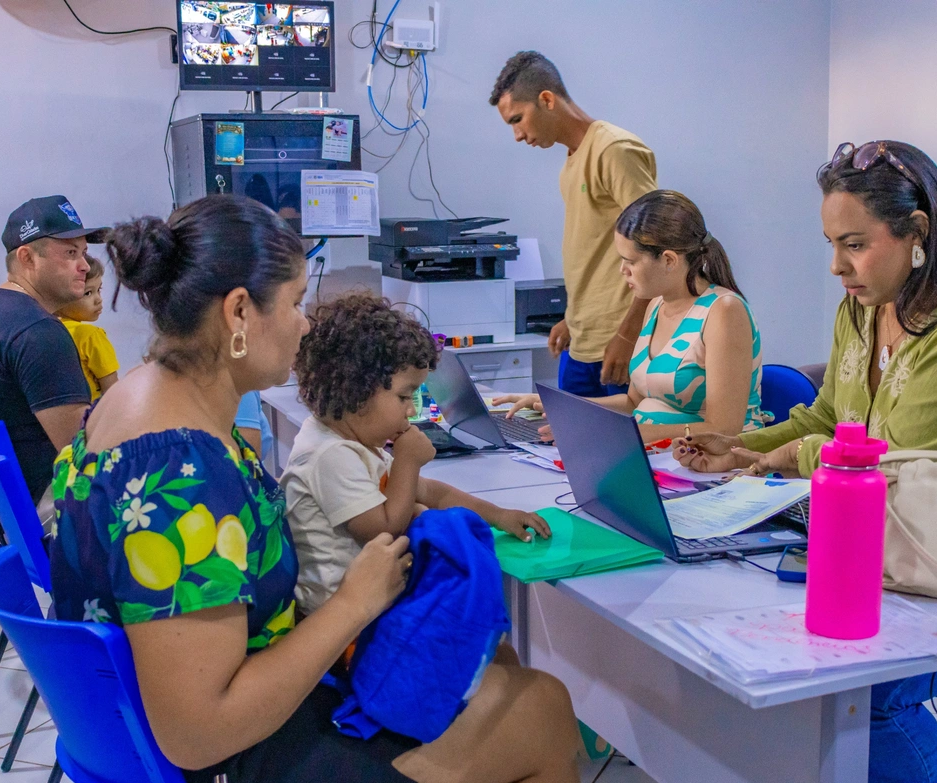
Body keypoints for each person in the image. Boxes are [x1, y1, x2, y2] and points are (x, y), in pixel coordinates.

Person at [50, 194, 580, 783]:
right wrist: (353, 604)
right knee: (541, 712)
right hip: (219, 769)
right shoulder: (181, 469)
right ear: (239, 312)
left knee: (505, 679)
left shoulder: (137, 398)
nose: (306, 322)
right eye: (297, 302)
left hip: (140, 743)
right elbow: (197, 732)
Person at [673, 140, 937, 783]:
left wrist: (776, 458)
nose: (839, 266)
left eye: (856, 244)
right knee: (751, 658)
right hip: (878, 553)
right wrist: (742, 444)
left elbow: (893, 464)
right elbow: (824, 421)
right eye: (831, 245)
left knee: (853, 695)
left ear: (916, 233)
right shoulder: (862, 311)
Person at [282, 292, 551, 616]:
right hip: (345, 631)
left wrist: (498, 515)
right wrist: (407, 461)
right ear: (354, 389)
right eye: (404, 397)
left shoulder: (356, 444)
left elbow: (430, 492)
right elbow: (384, 532)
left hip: (374, 613)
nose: (411, 411)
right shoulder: (329, 456)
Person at [496, 190, 768, 442]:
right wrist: (564, 408)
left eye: (631, 261)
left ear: (669, 261)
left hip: (712, 467)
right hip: (652, 456)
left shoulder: (724, 311)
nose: (622, 270)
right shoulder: (655, 305)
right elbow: (633, 403)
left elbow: (723, 429)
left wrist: (619, 432)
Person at [491, 51, 657, 398]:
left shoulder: (614, 149)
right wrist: (574, 318)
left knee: (611, 451)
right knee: (564, 448)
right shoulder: (571, 162)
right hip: (582, 341)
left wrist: (628, 335)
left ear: (547, 99)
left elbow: (656, 246)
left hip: (618, 343)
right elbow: (595, 250)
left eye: (517, 119)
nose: (518, 135)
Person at [0, 195, 105, 525]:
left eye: (84, 252)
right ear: (27, 258)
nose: (86, 266)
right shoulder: (39, 332)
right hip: (41, 509)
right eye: (70, 253)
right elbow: (84, 450)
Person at [57, 253, 120, 400]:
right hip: (92, 416)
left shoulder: (46, 331)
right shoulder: (90, 335)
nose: (98, 299)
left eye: (99, 290)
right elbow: (112, 390)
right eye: (88, 293)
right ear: (59, 296)